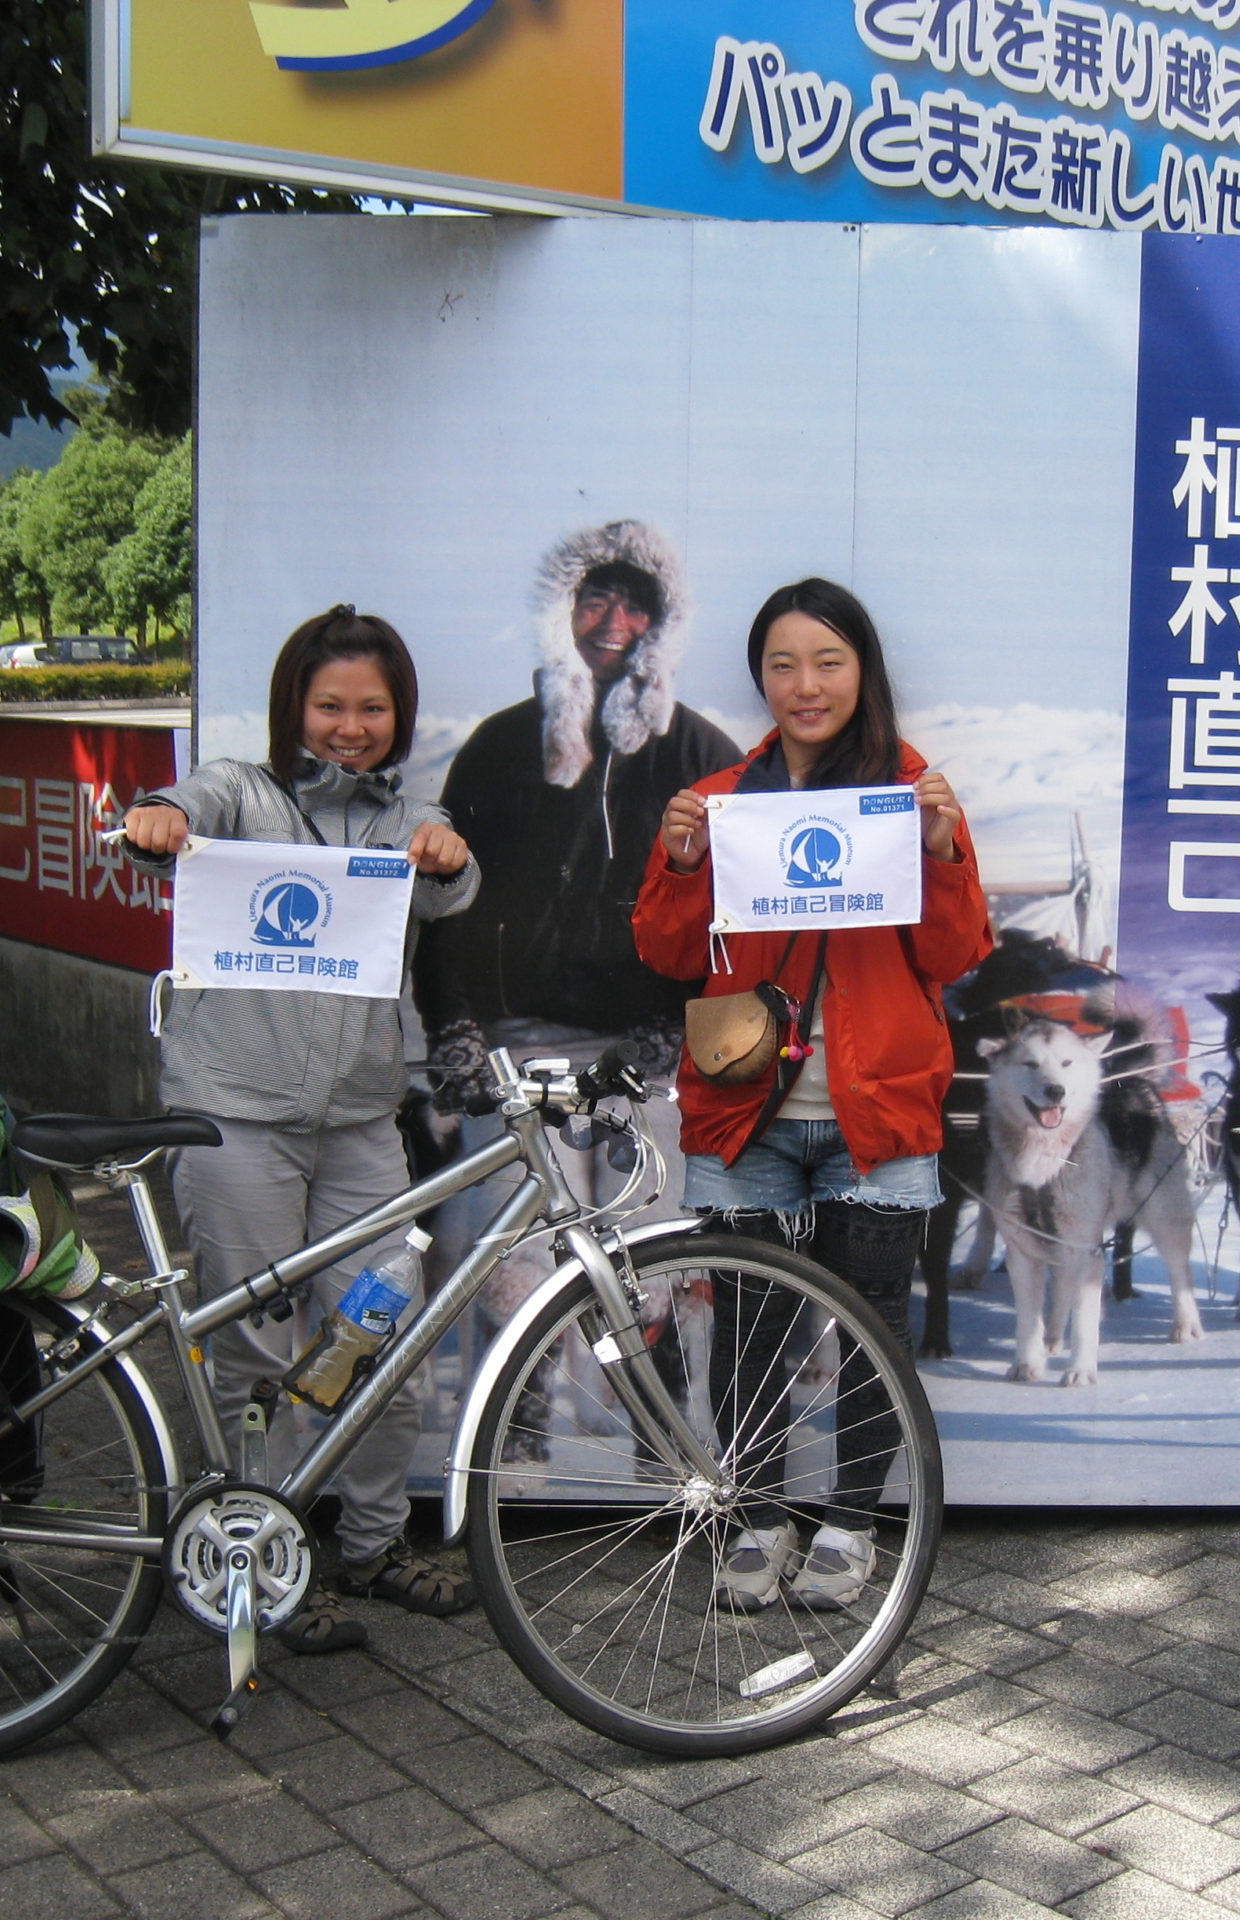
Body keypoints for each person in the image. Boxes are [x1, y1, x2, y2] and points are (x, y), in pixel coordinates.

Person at [123, 605, 481, 1654]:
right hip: (237, 1119)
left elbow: (456, 889)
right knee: (254, 1356)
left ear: (396, 716)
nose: (350, 725)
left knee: (381, 1337)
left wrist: (445, 853)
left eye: (371, 707)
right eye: (330, 705)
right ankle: (265, 1558)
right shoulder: (240, 793)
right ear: (295, 708)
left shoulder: (406, 822)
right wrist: (158, 819)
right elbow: (170, 818)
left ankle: (372, 1546)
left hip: (363, 1127)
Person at [633, 578, 992, 1612]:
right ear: (760, 678)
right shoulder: (726, 798)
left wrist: (938, 850)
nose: (805, 685)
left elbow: (955, 952)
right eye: (782, 665)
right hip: (747, 1110)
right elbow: (665, 950)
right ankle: (754, 1517)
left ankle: (849, 1522)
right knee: (745, 1329)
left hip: (872, 1118)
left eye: (827, 662)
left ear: (863, 673)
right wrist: (680, 856)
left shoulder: (915, 792)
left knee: (872, 1331)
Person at [416, 519, 739, 1099]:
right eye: (595, 601)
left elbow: (742, 912)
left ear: (663, 623)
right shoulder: (502, 743)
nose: (614, 624)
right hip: (515, 1041)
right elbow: (444, 893)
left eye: (636, 606)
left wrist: (680, 1023)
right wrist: (453, 1026)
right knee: (529, 1194)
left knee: (641, 1196)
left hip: (656, 1054)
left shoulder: (701, 751)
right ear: (562, 612)